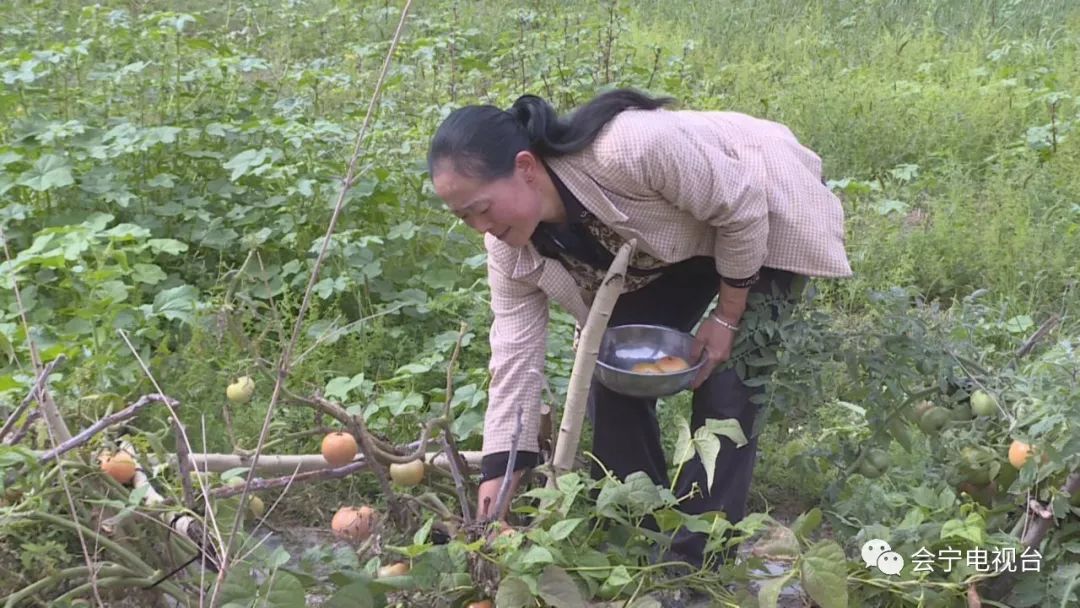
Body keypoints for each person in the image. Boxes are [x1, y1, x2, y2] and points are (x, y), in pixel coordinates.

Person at [425, 88, 851, 567]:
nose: (480, 227)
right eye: (465, 218)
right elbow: (514, 360)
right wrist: (493, 503)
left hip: (761, 207)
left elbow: (742, 207)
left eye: (482, 208)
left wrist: (726, 317)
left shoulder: (630, 149)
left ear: (525, 167)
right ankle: (635, 531)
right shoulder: (510, 251)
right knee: (610, 370)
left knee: (728, 389)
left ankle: (695, 563)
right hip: (671, 243)